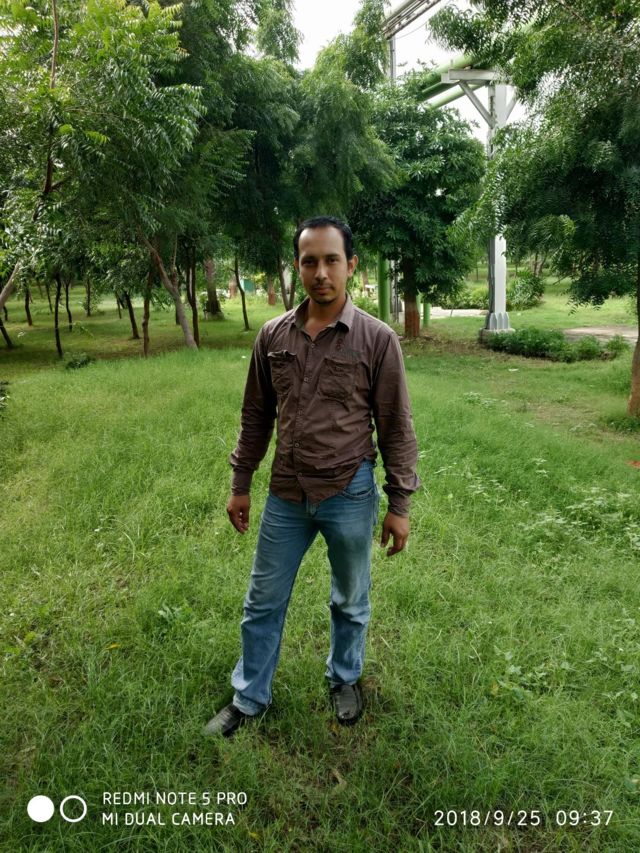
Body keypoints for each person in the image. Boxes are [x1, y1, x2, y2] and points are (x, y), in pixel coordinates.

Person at [204, 216, 419, 737]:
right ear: (297, 266)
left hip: (350, 491)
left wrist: (399, 505)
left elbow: (395, 425)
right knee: (262, 601)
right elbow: (256, 416)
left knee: (350, 598)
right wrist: (240, 484)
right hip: (286, 493)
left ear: (351, 265)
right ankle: (248, 697)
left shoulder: (377, 339)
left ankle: (344, 678)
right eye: (309, 261)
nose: (321, 272)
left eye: (331, 260)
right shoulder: (272, 336)